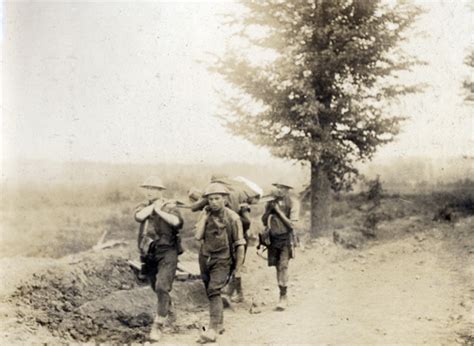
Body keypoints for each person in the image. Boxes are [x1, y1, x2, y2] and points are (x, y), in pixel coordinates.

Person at [189, 174, 261, 303]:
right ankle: (234, 293)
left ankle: (226, 294)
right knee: (235, 265)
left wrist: (197, 197)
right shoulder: (238, 191)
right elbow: (248, 220)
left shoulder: (213, 193)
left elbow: (194, 207)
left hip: (227, 233)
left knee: (227, 265)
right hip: (237, 232)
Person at [133, 176, 184, 342]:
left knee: (162, 286)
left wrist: (160, 210)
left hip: (168, 251)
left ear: (160, 191)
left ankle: (158, 325)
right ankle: (168, 307)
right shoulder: (143, 206)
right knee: (155, 285)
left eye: (153, 189)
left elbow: (177, 222)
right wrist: (154, 207)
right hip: (149, 252)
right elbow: (139, 217)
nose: (149, 192)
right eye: (147, 188)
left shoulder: (170, 206)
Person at [197, 183, 246, 343]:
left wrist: (238, 269)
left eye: (217, 198)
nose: (214, 202)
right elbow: (198, 236)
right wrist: (204, 217)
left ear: (225, 199)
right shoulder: (206, 215)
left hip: (223, 260)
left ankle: (211, 329)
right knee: (210, 290)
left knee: (214, 290)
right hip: (205, 257)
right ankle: (220, 324)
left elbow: (240, 244)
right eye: (210, 199)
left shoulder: (233, 218)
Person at [261, 181, 300, 311]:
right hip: (273, 238)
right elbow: (263, 220)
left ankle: (283, 297)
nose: (279, 190)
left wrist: (277, 211)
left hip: (286, 238)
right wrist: (269, 210)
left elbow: (292, 224)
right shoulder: (271, 201)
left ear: (288, 189)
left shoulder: (293, 202)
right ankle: (282, 293)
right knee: (277, 267)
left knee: (283, 265)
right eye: (277, 187)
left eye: (282, 188)